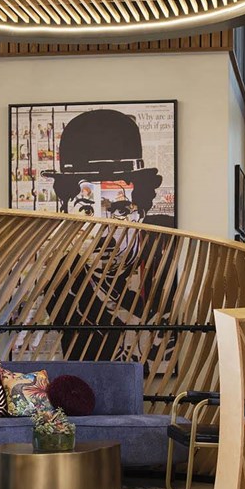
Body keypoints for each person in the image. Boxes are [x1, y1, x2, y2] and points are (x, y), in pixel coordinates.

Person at [41, 109, 175, 362]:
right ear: (67, 212)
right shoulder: (63, 284)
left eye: (120, 210)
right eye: (86, 211)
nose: (103, 231)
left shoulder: (165, 260)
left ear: (142, 213)